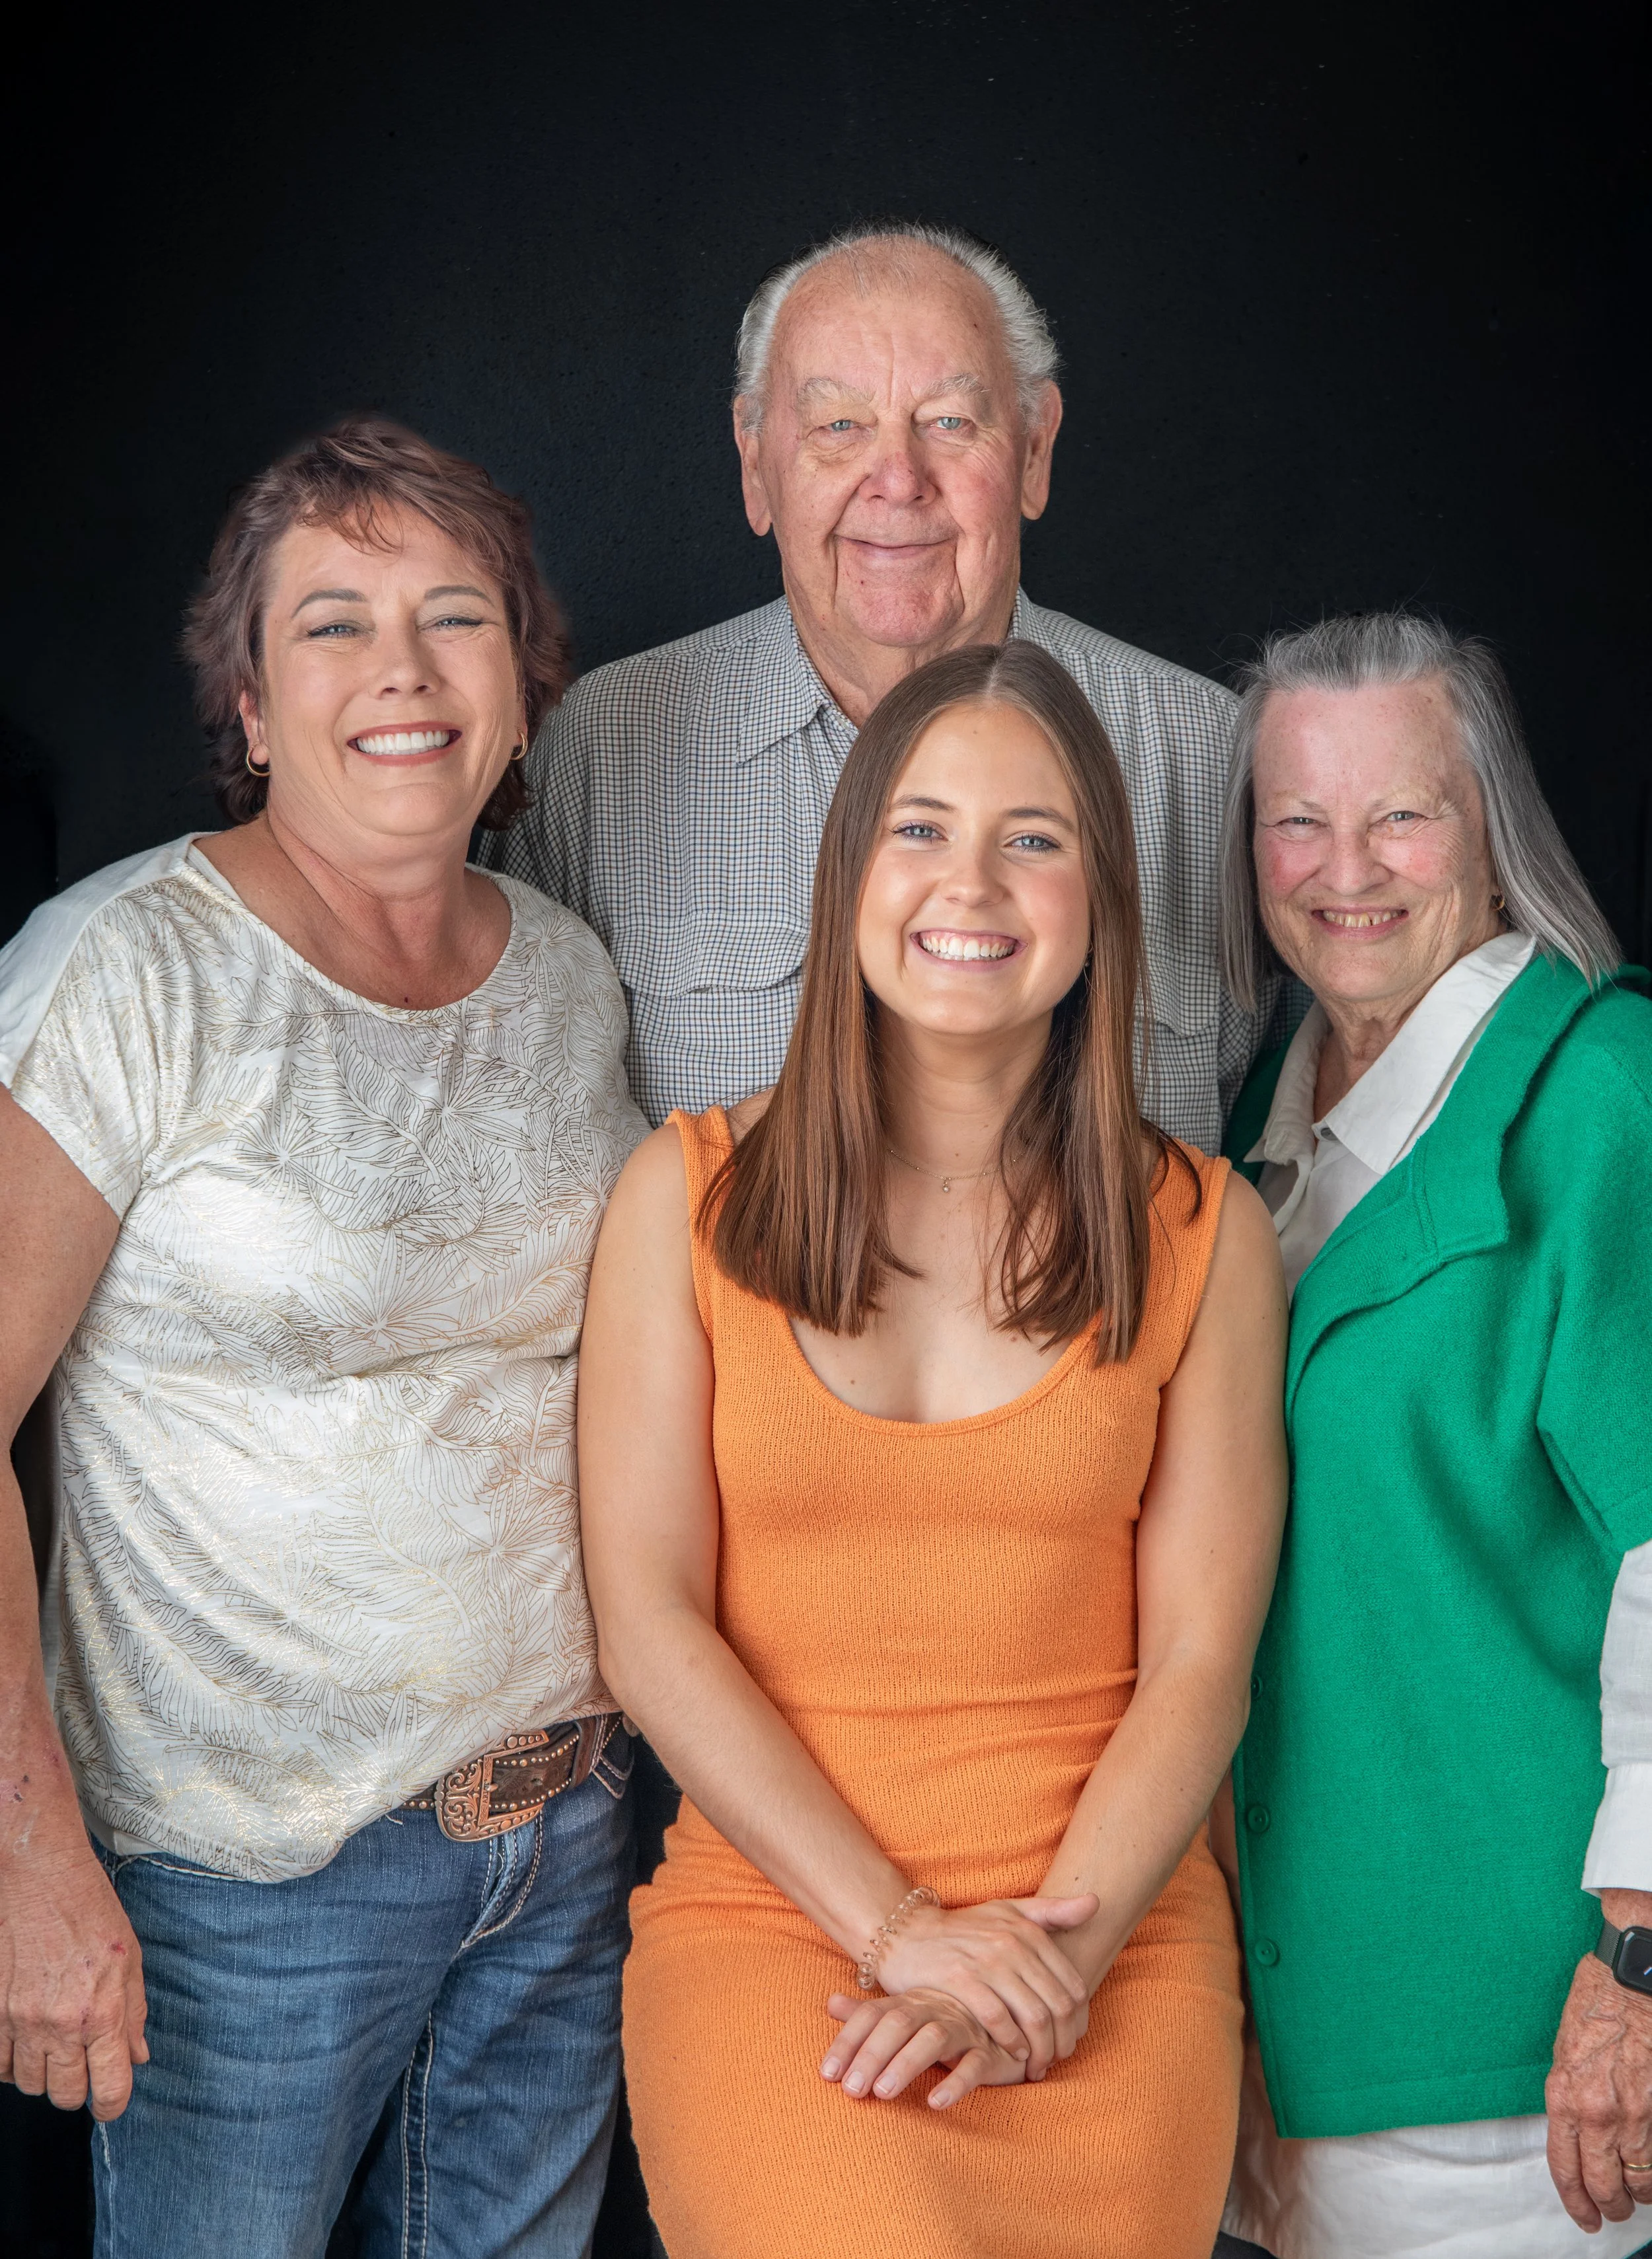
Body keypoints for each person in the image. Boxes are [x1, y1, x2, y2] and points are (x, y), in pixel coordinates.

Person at [0, 419, 647, 2258]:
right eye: (334, 625)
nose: (404, 673)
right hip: (238, 1890)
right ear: (253, 703)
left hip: (557, 1837)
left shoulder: (567, 976)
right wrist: (25, 1865)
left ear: (525, 690)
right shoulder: (129, 970)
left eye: (456, 619)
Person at [577, 639, 1289, 2259]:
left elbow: (1196, 1660)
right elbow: (650, 1623)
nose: (970, 881)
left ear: (1099, 896)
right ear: (845, 876)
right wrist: (898, 1932)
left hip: (1101, 1943)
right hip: (785, 1930)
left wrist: (1044, 1964)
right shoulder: (680, 1200)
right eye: (919, 826)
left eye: (1032, 837)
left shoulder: (1203, 1235)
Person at [484, 220, 1287, 1150]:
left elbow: (1307, 1141)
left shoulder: (1213, 759)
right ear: (755, 465)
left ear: (1034, 451)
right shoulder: (597, 753)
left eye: (950, 421)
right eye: (838, 426)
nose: (898, 479)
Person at [1213, 614, 1652, 2259]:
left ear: (1487, 828)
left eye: (1398, 814)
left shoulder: (1596, 1092)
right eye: (1294, 820)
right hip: (1294, 2034)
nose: (1345, 869)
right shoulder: (1273, 1114)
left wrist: (1637, 1964)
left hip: (1515, 2058)